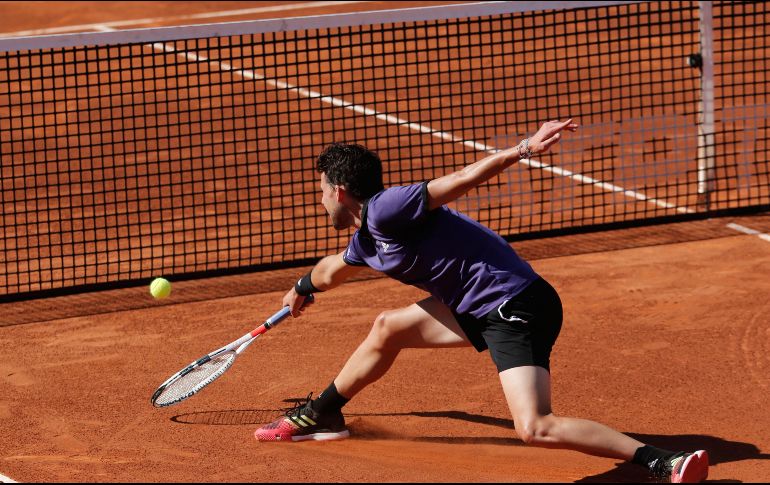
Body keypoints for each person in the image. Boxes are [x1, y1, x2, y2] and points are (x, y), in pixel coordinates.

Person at [255, 119, 709, 483]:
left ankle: (662, 460)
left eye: (321, 191)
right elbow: (333, 269)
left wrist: (522, 149)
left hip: (514, 305)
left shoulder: (388, 207)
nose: (320, 201)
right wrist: (302, 288)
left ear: (339, 191)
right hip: (473, 305)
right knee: (387, 328)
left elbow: (459, 180)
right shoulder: (368, 239)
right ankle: (322, 414)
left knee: (535, 427)